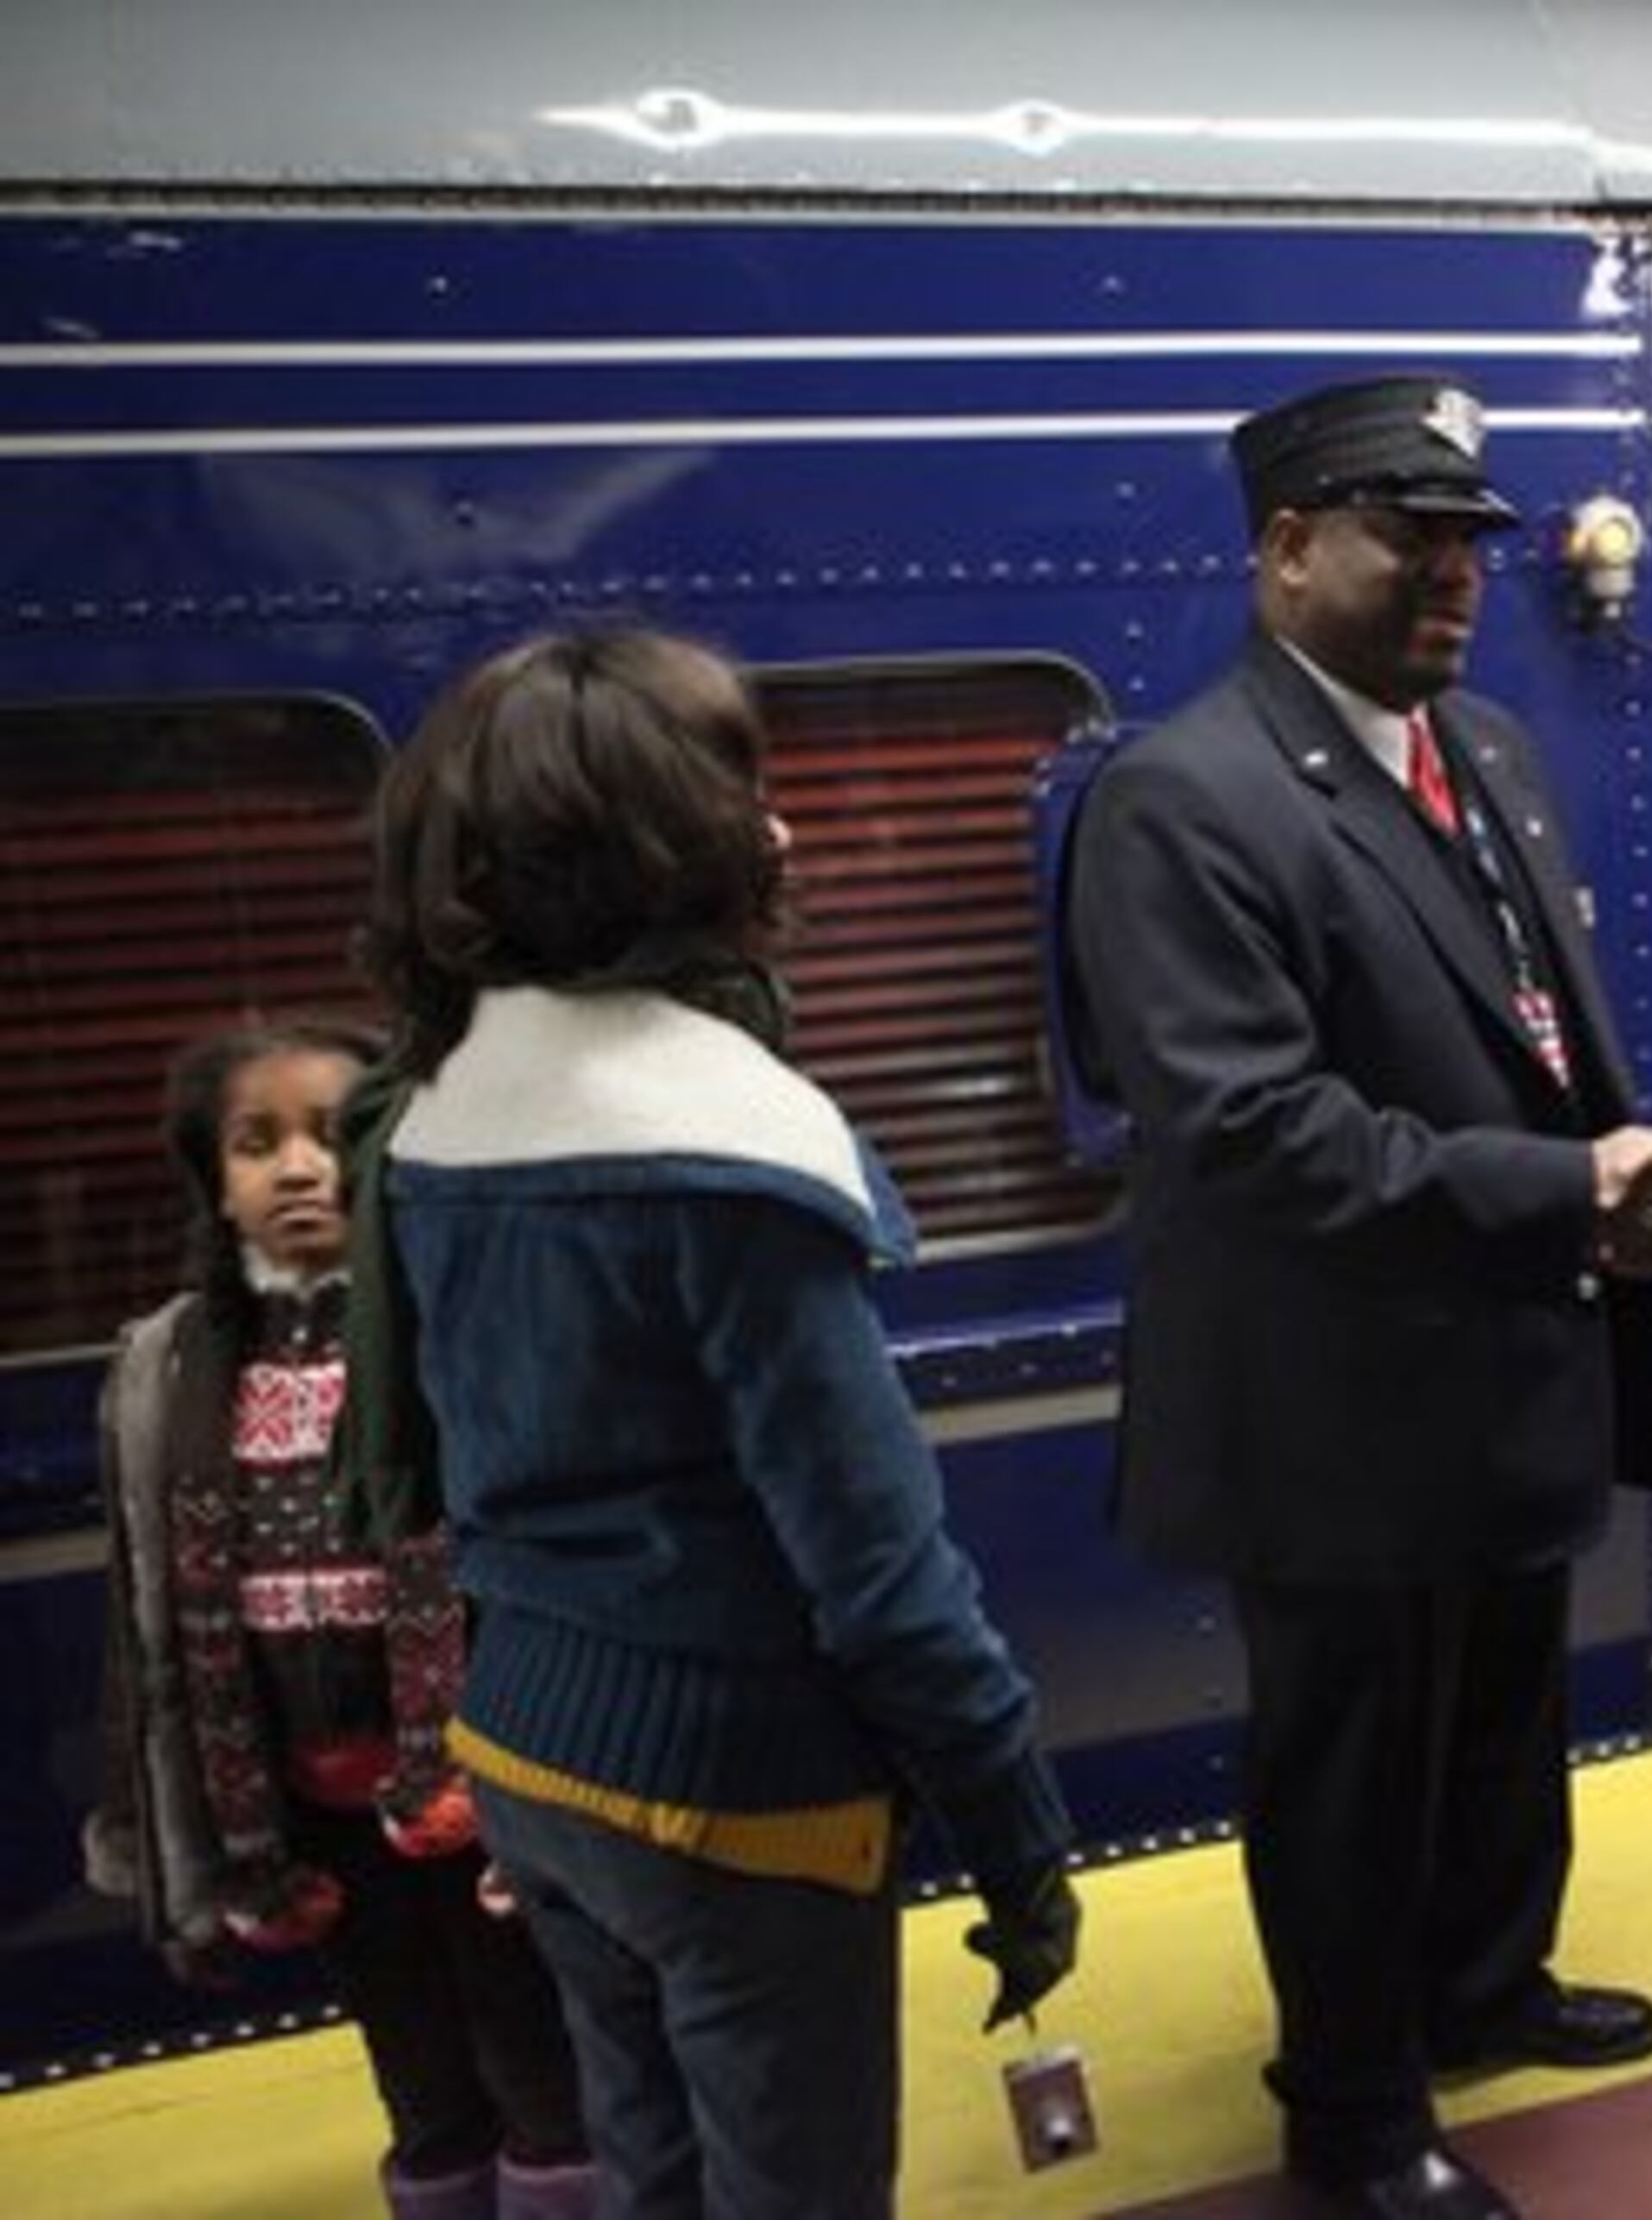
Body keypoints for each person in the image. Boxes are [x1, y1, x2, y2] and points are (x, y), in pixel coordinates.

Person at [1064, 374, 1652, 2220]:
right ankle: (1353, 2110)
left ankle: (1487, 1983)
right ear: (1283, 549)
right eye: (1405, 533)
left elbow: (1523, 1025)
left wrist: (1596, 1178)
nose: (1455, 571)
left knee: (1508, 1696)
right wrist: (1570, 1188)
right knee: (1351, 1756)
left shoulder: (1488, 749)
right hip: (1331, 1396)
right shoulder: (1182, 798)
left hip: (1501, 1345)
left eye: (1472, 539)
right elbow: (1256, 1131)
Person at [351, 628, 1081, 2220]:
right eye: (740, 787)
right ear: (672, 845)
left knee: (650, 2167)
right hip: (738, 1796)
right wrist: (1020, 1833)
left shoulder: (431, 1114)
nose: (782, 828)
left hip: (533, 1753)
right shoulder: (729, 1152)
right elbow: (883, 1575)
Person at [84, 1016, 592, 2220]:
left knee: (541, 2065)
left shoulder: (456, 1327)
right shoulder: (172, 1366)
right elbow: (147, 1616)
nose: (300, 1165)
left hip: (485, 1795)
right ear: (215, 1178)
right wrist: (180, 1828)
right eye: (257, 1142)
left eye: (333, 1134)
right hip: (310, 1816)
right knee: (416, 2075)